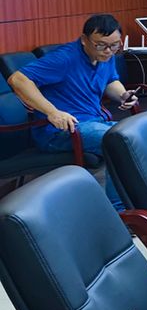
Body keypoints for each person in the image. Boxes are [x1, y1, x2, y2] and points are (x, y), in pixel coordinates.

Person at [7, 14, 139, 207]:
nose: (108, 51)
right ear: (84, 39)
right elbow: (18, 79)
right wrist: (52, 112)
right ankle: (120, 211)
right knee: (117, 141)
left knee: (136, 135)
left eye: (114, 45)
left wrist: (123, 95)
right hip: (60, 131)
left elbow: (110, 80)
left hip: (93, 123)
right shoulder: (65, 58)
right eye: (101, 45)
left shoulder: (106, 55)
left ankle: (141, 203)